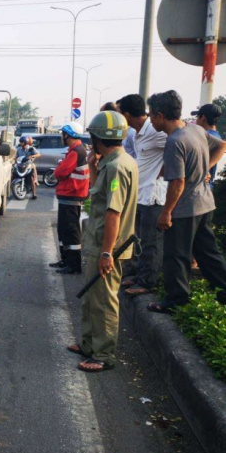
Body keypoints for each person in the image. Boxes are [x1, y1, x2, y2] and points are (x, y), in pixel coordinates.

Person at [68, 111, 138, 372]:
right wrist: (93, 165)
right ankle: (89, 344)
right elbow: (98, 193)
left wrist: (108, 253)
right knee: (90, 297)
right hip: (99, 243)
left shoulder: (118, 167)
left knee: (104, 301)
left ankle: (104, 355)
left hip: (108, 246)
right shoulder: (112, 163)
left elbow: (113, 212)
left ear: (98, 138)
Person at [145, 90, 226, 313]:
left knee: (176, 256)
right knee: (208, 253)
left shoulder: (175, 141)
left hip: (185, 209)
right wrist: (204, 169)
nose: (150, 121)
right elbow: (221, 145)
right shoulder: (196, 130)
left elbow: (178, 182)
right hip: (204, 203)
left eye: (151, 116)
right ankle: (224, 289)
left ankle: (176, 300)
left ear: (161, 115)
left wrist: (166, 213)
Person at [116, 94, 168, 296]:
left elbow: (185, 146)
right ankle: (139, 275)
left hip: (154, 195)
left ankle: (147, 282)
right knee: (139, 239)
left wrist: (168, 169)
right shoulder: (136, 133)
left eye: (120, 113)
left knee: (151, 241)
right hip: (140, 195)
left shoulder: (157, 131)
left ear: (127, 114)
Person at [49, 122, 89, 275]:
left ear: (68, 135)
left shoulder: (76, 151)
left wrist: (59, 167)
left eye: (62, 134)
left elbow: (60, 173)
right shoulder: (77, 149)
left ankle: (74, 265)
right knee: (64, 229)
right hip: (69, 194)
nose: (61, 137)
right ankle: (66, 260)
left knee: (70, 230)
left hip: (72, 194)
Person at [192, 103, 223, 188]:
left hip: (200, 187)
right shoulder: (217, 137)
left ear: (203, 118)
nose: (196, 121)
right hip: (207, 186)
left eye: (197, 117)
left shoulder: (205, 138)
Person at [15, 135, 40, 199]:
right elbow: (16, 156)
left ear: (25, 142)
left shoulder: (30, 148)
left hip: (28, 165)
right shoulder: (18, 149)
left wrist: (32, 156)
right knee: (13, 173)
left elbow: (38, 154)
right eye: (20, 142)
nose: (21, 143)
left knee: (31, 178)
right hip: (20, 165)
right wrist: (15, 159)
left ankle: (34, 193)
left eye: (22, 142)